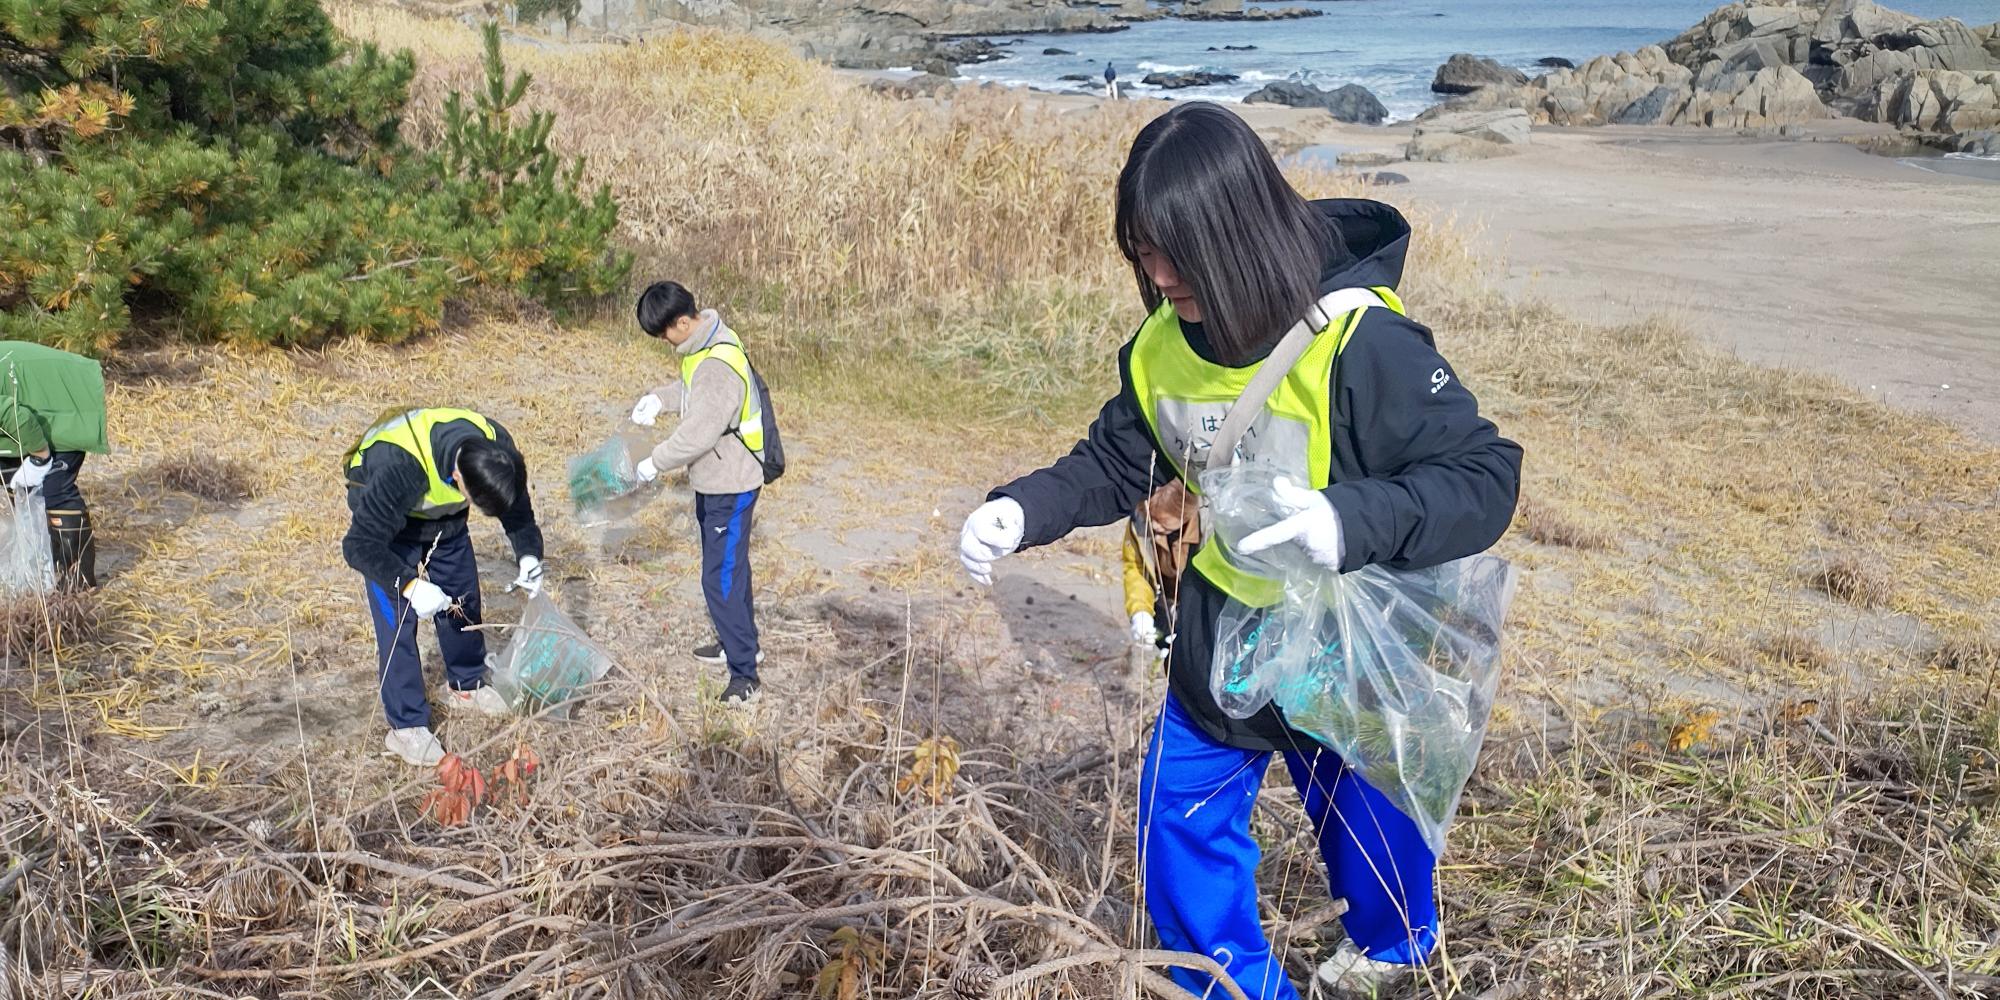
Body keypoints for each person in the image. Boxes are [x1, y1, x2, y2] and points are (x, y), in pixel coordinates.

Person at [957, 103, 1521, 999]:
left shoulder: (1359, 340)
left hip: (1346, 636)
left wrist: (1348, 520)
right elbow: (1118, 457)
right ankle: (1230, 987)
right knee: (1173, 819)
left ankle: (1394, 948)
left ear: (1241, 228)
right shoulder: (1159, 347)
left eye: (1178, 250)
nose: (1160, 275)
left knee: (1358, 807)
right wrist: (1023, 509)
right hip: (1224, 626)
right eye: (1141, 251)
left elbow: (1487, 476)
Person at [342, 407, 546, 767]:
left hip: (443, 521)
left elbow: (517, 509)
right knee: (396, 622)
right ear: (456, 476)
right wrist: (409, 585)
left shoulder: (497, 449)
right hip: (384, 527)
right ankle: (406, 727)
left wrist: (529, 554)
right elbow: (358, 545)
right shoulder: (400, 468)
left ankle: (466, 684)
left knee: (461, 594)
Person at [628, 281, 768, 706]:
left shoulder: (716, 363)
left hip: (732, 483)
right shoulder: (705, 343)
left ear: (683, 321)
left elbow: (699, 432)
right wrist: (659, 398)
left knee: (720, 580)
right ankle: (739, 641)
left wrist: (655, 462)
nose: (663, 342)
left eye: (663, 333)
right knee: (730, 570)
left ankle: (745, 674)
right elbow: (693, 395)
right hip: (715, 480)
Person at [0, 342, 109, 589]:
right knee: (9, 482)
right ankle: (31, 566)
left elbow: (15, 417)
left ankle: (76, 584)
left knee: (54, 488)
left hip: (62, 402)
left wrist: (39, 457)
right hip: (32, 398)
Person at [1121, 480, 1197, 658]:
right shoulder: (1140, 519)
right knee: (1163, 643)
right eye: (1151, 519)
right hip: (1164, 600)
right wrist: (1140, 612)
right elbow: (1135, 567)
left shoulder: (1207, 528)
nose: (1154, 527)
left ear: (1185, 516)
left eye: (1163, 524)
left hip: (1195, 607)